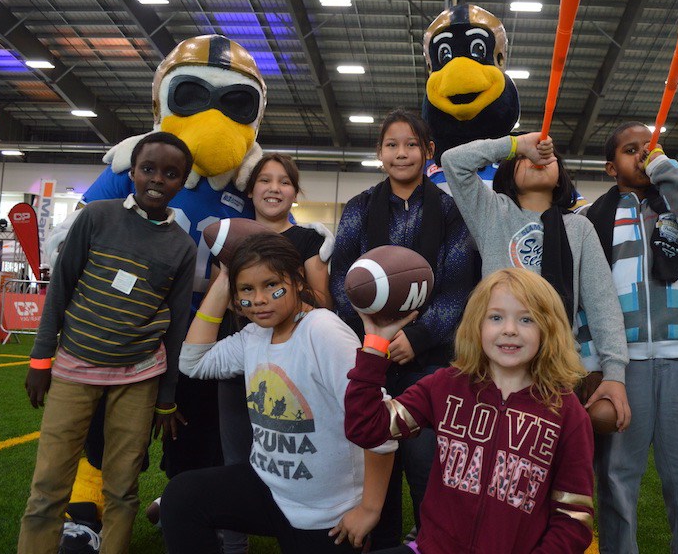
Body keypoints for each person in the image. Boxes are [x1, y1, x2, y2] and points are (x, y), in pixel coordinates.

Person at [18, 132, 197, 553]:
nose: (157, 179)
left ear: (182, 182)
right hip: (74, 368)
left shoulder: (182, 246)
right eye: (148, 168)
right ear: (132, 172)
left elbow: (174, 329)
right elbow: (60, 289)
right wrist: (40, 359)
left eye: (171, 174)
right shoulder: (96, 216)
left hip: (138, 378)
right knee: (48, 484)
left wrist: (166, 398)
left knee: (123, 488)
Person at [160, 233, 395, 553]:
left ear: (298, 281)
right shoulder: (254, 335)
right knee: (182, 496)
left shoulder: (323, 331)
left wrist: (369, 508)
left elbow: (378, 421)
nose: (259, 299)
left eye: (271, 285)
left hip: (325, 514)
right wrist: (226, 277)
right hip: (269, 488)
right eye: (247, 290)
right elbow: (193, 361)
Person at [345, 267, 595, 554]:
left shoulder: (566, 413)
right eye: (496, 317)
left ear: (548, 328)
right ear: (477, 324)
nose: (509, 329)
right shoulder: (445, 386)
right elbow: (366, 427)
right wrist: (376, 345)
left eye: (526, 319)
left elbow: (574, 519)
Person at [330, 108, 477, 546]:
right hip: (370, 357)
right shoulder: (359, 207)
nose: (402, 153)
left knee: (427, 465)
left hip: (429, 363)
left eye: (412, 144)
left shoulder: (452, 211)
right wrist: (375, 335)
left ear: (429, 152)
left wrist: (417, 336)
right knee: (374, 466)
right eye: (392, 144)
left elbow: (459, 288)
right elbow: (341, 280)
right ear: (379, 153)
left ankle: (433, 540)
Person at [581, 122, 678, 554]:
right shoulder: (591, 220)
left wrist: (666, 169)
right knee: (616, 478)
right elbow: (583, 299)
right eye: (631, 150)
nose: (642, 155)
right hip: (622, 366)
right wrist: (593, 365)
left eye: (649, 148)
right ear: (610, 167)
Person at [440, 131, 630, 422]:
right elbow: (453, 162)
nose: (537, 158)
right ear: (507, 171)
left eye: (547, 156)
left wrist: (615, 372)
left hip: (557, 365)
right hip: (494, 361)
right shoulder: (491, 212)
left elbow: (603, 304)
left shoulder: (579, 229)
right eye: (524, 158)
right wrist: (516, 144)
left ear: (560, 176)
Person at [216, 152, 332, 553]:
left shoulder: (309, 240)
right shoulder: (231, 239)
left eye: (284, 181)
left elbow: (322, 303)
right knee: (236, 460)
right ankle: (235, 545)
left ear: (294, 192)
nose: (274, 188)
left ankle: (296, 534)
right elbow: (222, 301)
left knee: (296, 460)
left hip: (294, 369)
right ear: (251, 190)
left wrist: (282, 297)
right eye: (265, 180)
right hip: (239, 366)